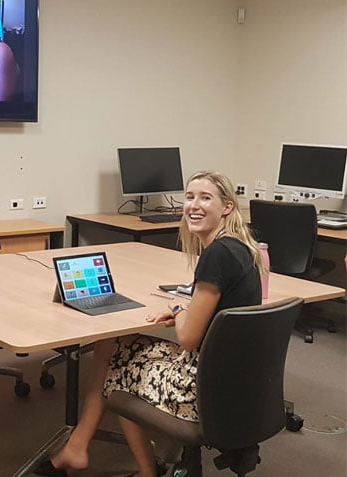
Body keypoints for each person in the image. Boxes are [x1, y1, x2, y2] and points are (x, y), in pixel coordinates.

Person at [35, 171, 265, 477]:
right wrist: (187, 310)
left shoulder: (217, 256)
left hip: (200, 388)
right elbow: (222, 314)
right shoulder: (239, 248)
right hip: (233, 381)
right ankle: (78, 449)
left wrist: (177, 310)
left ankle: (138, 468)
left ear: (227, 208)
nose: (194, 205)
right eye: (190, 196)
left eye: (205, 197)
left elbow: (187, 339)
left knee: (115, 366)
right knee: (112, 344)